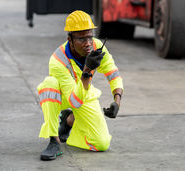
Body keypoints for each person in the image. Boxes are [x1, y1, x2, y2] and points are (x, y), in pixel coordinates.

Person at [37, 10, 124, 160]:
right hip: (65, 97)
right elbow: (74, 102)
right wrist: (87, 70)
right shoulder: (58, 60)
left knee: (101, 144)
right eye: (82, 39)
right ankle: (54, 140)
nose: (88, 43)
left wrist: (117, 100)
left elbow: (113, 73)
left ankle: (69, 120)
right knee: (49, 85)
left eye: (90, 36)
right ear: (70, 39)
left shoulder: (96, 46)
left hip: (85, 93)